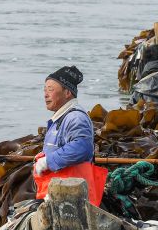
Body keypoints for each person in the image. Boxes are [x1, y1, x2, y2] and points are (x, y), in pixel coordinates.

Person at [34, 66, 106, 206]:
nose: (45, 94)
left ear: (67, 92)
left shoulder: (75, 117)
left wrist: (47, 162)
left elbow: (82, 148)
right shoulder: (60, 117)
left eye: (51, 89)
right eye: (45, 90)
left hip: (75, 197)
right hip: (57, 193)